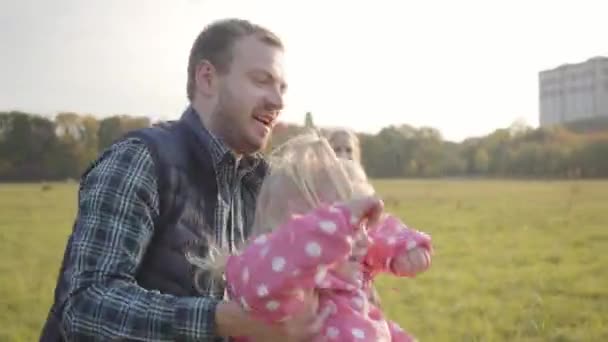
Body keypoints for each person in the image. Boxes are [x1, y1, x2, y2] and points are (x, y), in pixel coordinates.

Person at [40, 18, 321, 341]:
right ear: (207, 78)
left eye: (281, 88)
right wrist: (222, 320)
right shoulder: (140, 160)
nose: (278, 101)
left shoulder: (265, 186)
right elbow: (85, 305)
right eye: (262, 80)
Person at [190, 134, 433, 341]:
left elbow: (378, 328)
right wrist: (341, 222)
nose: (363, 239)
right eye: (348, 226)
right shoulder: (283, 294)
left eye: (361, 227)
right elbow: (281, 258)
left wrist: (405, 244)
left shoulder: (345, 293)